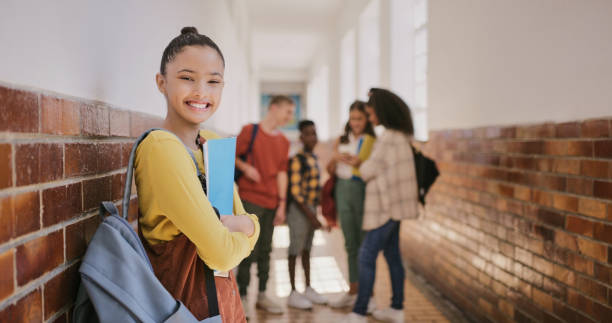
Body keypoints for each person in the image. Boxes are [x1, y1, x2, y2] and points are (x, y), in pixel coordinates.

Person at [135, 27, 260, 322]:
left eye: (213, 81)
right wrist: (251, 227)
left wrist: (245, 225)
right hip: (185, 309)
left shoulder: (212, 143)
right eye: (187, 78)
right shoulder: (161, 148)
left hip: (223, 306)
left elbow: (235, 232)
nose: (201, 92)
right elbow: (222, 255)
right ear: (161, 82)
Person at [345, 88, 419, 323]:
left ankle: (358, 313)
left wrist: (360, 163)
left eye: (371, 111)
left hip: (385, 209)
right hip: (395, 208)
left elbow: (368, 170)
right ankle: (396, 309)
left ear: (381, 111)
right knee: (392, 256)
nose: (369, 115)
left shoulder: (388, 138)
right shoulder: (401, 136)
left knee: (366, 255)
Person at [235, 95, 294, 316]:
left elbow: (282, 173)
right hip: (250, 199)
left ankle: (261, 295)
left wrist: (281, 204)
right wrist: (246, 168)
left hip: (271, 202)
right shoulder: (250, 132)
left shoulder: (284, 142)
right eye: (288, 111)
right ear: (273, 108)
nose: (290, 116)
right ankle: (240, 296)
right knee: (248, 250)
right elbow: (232, 156)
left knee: (266, 250)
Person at [327, 101, 376, 309]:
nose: (355, 122)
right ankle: (353, 290)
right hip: (343, 189)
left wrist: (359, 163)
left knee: (365, 244)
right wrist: (336, 157)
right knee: (349, 243)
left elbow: (373, 168)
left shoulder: (372, 140)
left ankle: (369, 294)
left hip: (363, 190)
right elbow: (330, 169)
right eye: (353, 118)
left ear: (367, 120)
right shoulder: (341, 139)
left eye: (360, 119)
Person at [285, 120, 328, 310]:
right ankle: (293, 291)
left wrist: (317, 211)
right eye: (309, 134)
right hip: (299, 209)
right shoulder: (298, 159)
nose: (313, 137)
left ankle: (308, 287)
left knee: (307, 249)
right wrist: (312, 217)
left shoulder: (313, 157)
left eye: (315, 133)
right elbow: (295, 192)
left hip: (310, 207)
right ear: (301, 138)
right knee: (295, 248)